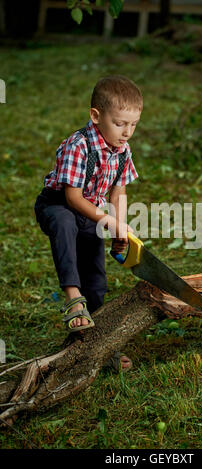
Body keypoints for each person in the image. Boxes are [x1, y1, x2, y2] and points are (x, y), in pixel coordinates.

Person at [34, 75, 142, 371]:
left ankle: (96, 342)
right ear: (96, 116)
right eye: (120, 123)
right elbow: (73, 198)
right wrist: (106, 219)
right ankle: (72, 296)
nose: (127, 132)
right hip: (59, 205)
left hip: (90, 212)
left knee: (96, 279)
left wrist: (119, 225)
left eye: (133, 124)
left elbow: (119, 191)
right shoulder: (79, 145)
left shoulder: (122, 152)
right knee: (66, 223)